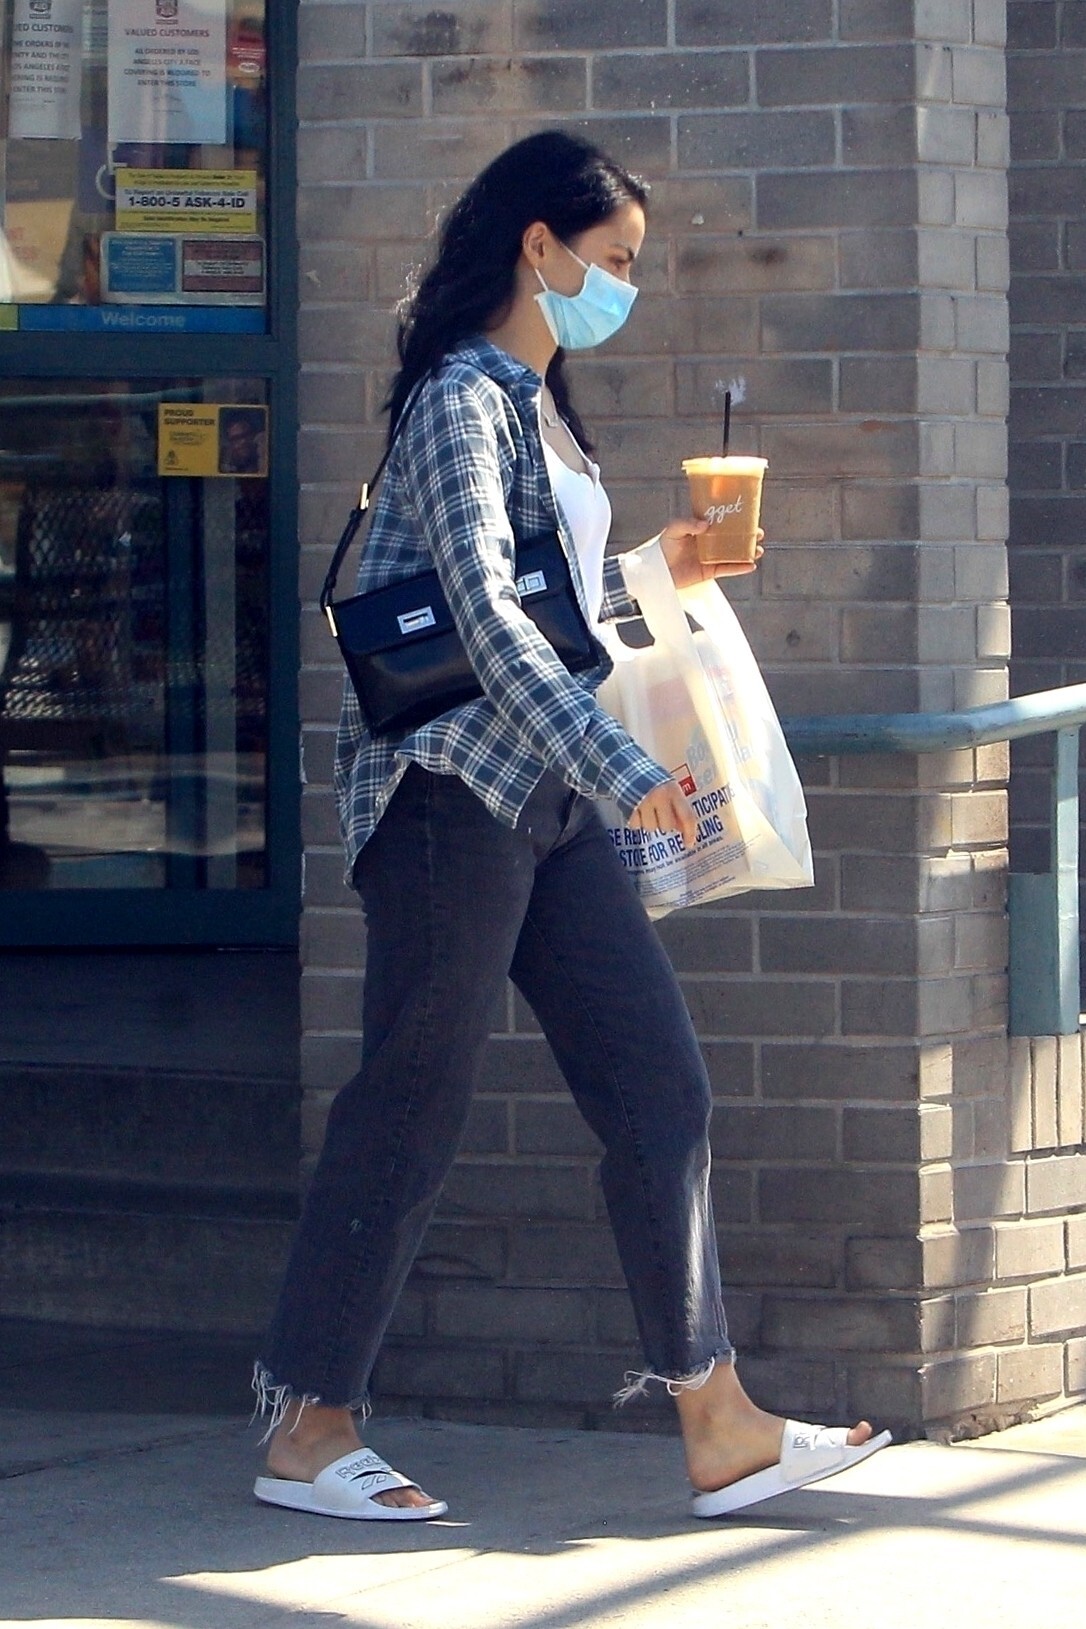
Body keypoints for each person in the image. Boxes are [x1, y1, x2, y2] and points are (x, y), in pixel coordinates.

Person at [252, 131, 889, 1523]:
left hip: (544, 798)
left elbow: (554, 604)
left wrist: (660, 562)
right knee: (411, 1099)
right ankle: (306, 1422)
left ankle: (717, 1421)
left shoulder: (539, 404)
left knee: (660, 1089)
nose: (624, 289)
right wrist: (614, 756)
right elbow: (483, 614)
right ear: (535, 245)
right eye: (612, 260)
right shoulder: (459, 400)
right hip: (451, 796)